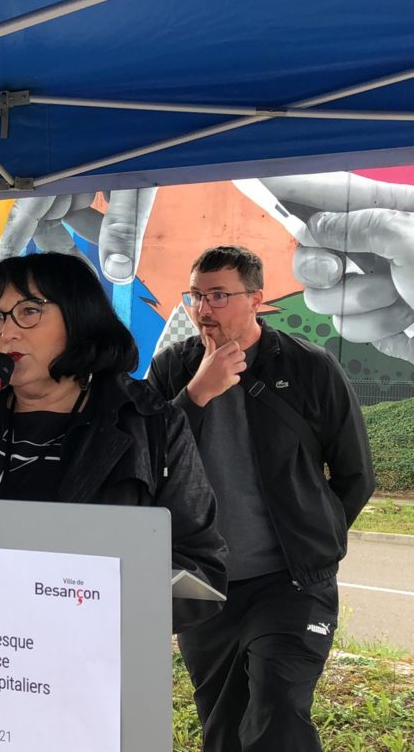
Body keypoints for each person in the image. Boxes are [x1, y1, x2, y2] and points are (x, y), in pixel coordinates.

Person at [0, 253, 227, 631]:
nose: (6, 332)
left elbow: (200, 567)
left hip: (76, 655)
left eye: (29, 311)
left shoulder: (148, 422)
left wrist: (84, 602)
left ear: (78, 320)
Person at [147, 245, 375, 752]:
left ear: (256, 299)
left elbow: (355, 473)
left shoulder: (310, 367)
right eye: (196, 296)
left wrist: (316, 533)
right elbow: (143, 466)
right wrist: (196, 396)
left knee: (277, 715)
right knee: (223, 728)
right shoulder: (171, 370)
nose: (204, 309)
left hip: (290, 582)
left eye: (220, 296)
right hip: (205, 586)